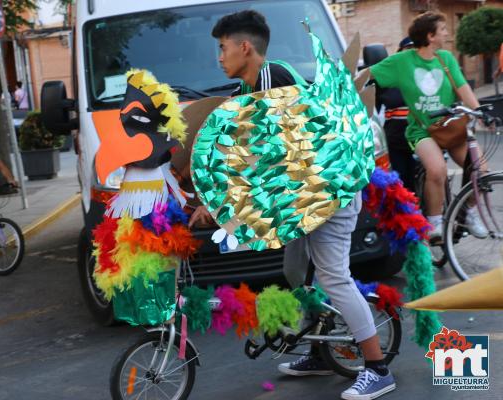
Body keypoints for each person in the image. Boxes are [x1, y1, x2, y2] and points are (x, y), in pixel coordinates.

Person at [190, 10, 396, 400]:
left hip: (329, 191)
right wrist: (207, 197)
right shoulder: (244, 94)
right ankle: (321, 351)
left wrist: (230, 208)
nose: (219, 58)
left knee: (333, 275)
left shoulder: (275, 80)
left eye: (222, 48)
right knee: (295, 269)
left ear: (245, 47)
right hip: (303, 198)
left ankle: (377, 368)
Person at [370, 11, 487, 242]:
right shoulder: (402, 61)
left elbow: (462, 88)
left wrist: (479, 112)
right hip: (421, 131)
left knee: (481, 170)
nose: (447, 33)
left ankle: (469, 214)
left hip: (449, 126)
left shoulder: (445, 58)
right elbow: (368, 74)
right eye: (442, 29)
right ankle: (434, 223)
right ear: (430, 35)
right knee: (437, 170)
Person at [375, 37, 416, 191]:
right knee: (401, 185)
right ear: (399, 53)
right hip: (396, 142)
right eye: (408, 48)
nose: (411, 52)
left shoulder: (427, 76)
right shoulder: (386, 79)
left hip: (423, 139)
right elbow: (372, 108)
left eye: (415, 48)